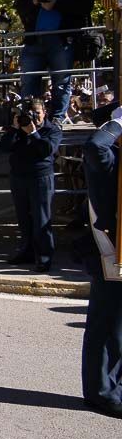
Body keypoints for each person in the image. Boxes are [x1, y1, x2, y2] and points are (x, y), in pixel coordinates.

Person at [14, 0, 95, 122]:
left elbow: (84, 8)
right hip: (35, 41)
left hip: (62, 41)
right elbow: (20, 6)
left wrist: (57, 5)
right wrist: (34, 1)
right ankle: (29, 117)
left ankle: (57, 119)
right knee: (29, 81)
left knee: (61, 82)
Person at [80, 103, 121, 418]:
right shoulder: (107, 161)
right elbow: (95, 144)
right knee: (107, 326)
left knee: (118, 328)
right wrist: (119, 121)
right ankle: (101, 392)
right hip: (111, 252)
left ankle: (113, 386)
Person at [0, 97, 62, 273]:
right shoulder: (18, 129)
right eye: (31, 113)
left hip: (40, 178)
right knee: (24, 218)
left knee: (42, 219)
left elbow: (45, 150)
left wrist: (34, 133)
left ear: (45, 113)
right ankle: (26, 252)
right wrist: (14, 129)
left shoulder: (52, 130)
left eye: (38, 113)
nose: (34, 117)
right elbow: (3, 147)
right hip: (19, 177)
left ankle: (44, 258)